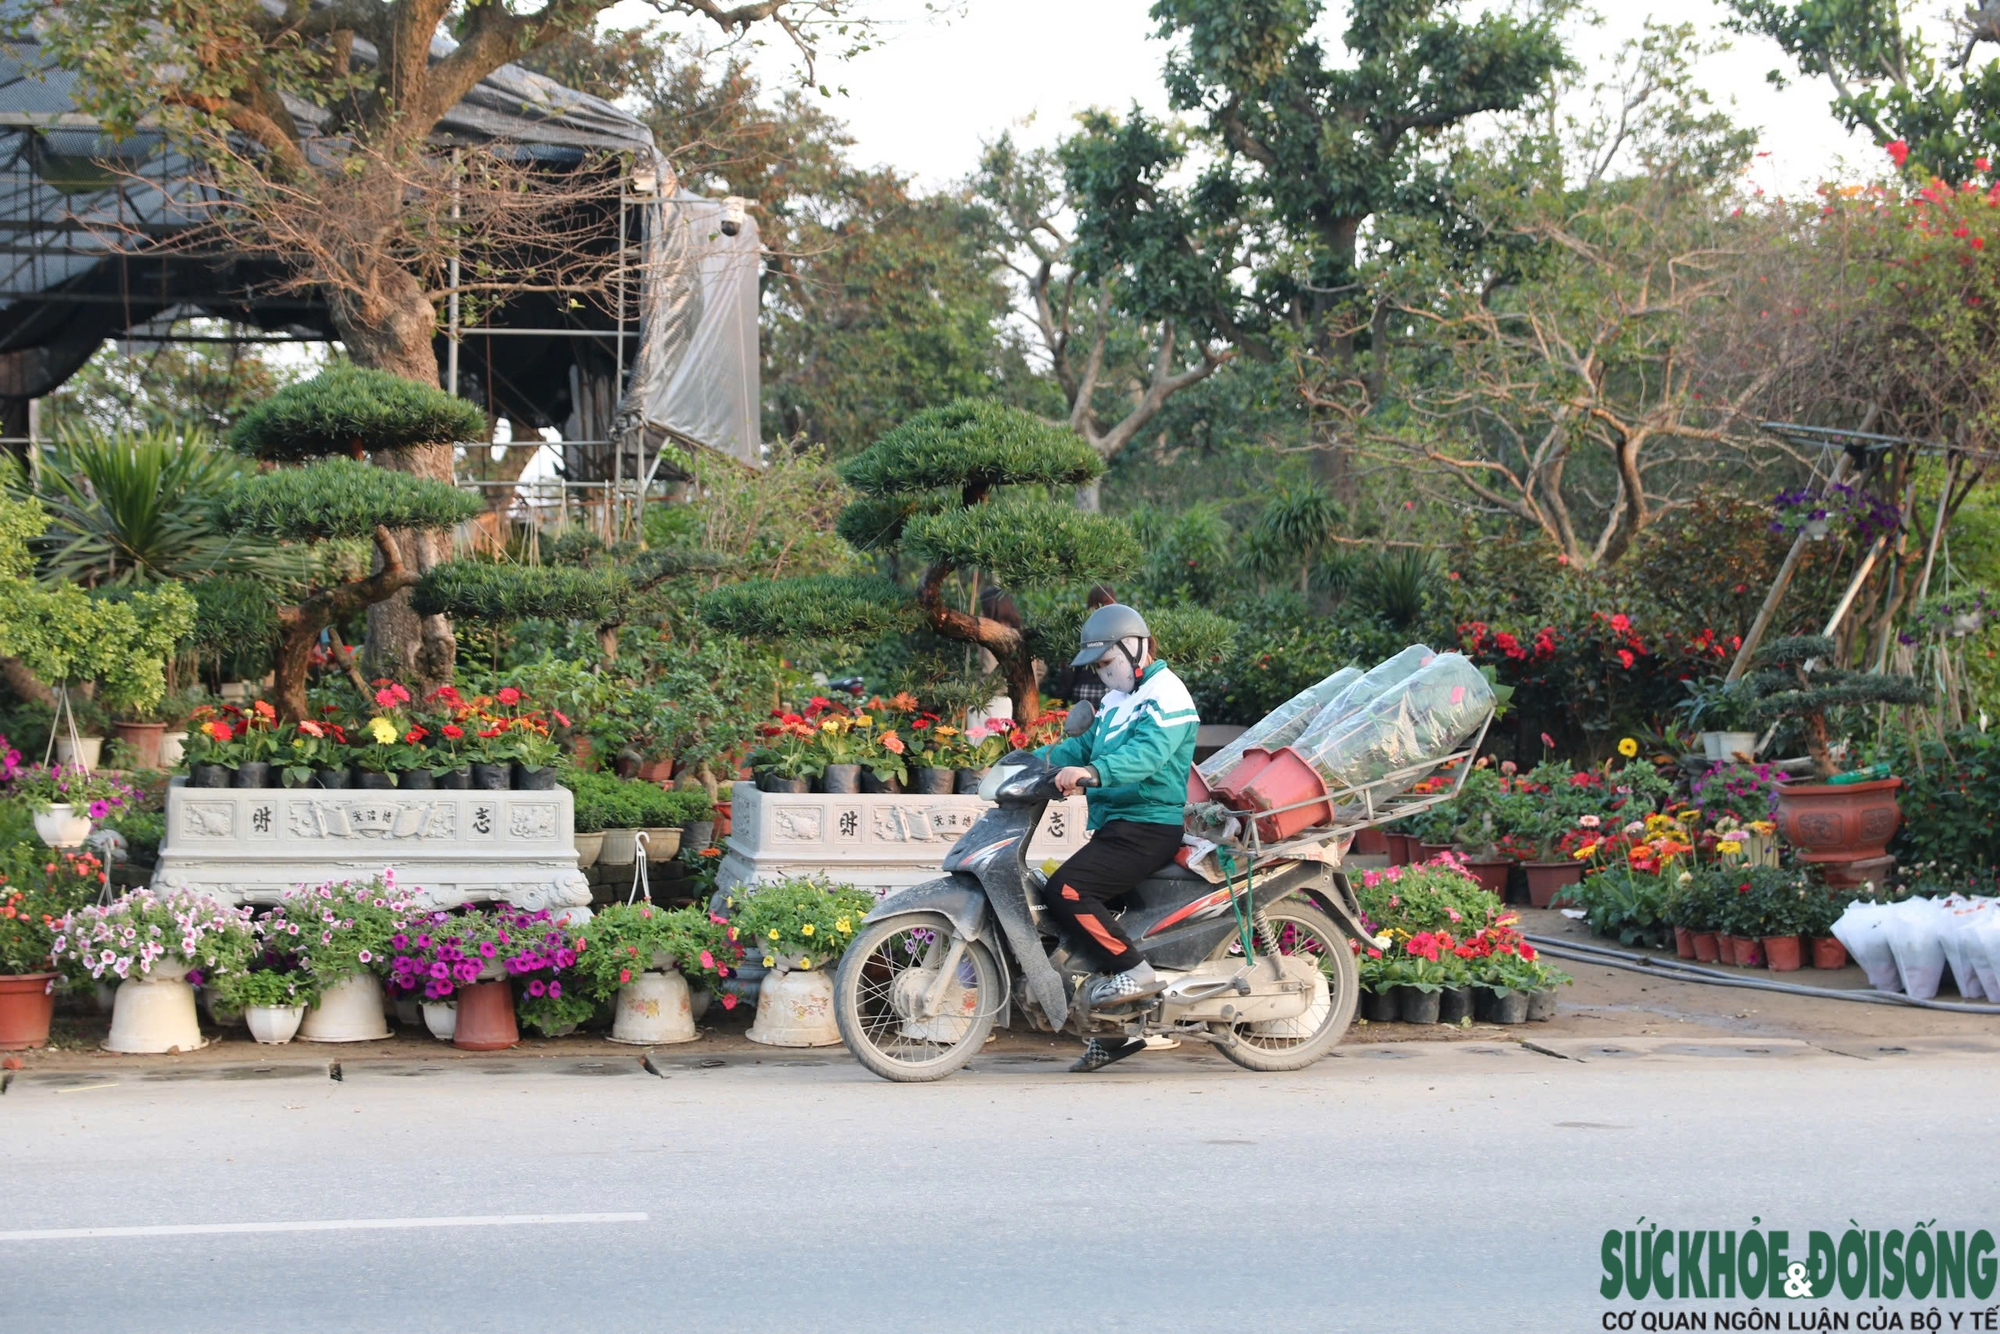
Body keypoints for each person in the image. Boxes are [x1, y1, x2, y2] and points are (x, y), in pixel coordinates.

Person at [1034, 602, 1199, 1070]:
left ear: (1136, 649)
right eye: (1098, 667)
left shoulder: (1167, 695)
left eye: (1108, 663)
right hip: (1118, 826)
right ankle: (1121, 1032)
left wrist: (1091, 772)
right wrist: (1033, 761)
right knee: (1094, 918)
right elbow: (1082, 744)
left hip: (1148, 826)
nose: (1103, 675)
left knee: (1066, 889)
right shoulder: (1117, 701)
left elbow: (1146, 756)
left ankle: (1135, 974)